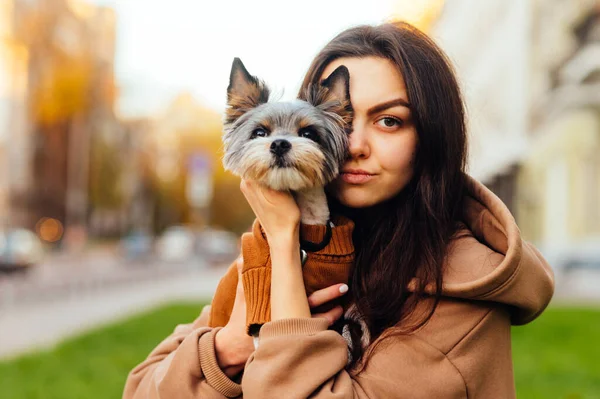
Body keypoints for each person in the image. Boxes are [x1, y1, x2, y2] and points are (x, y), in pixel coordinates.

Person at [123, 21, 554, 399]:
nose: (352, 145)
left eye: (389, 121)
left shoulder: (461, 291)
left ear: (431, 139)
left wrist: (285, 254)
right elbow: (140, 387)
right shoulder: (299, 239)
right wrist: (228, 347)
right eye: (340, 122)